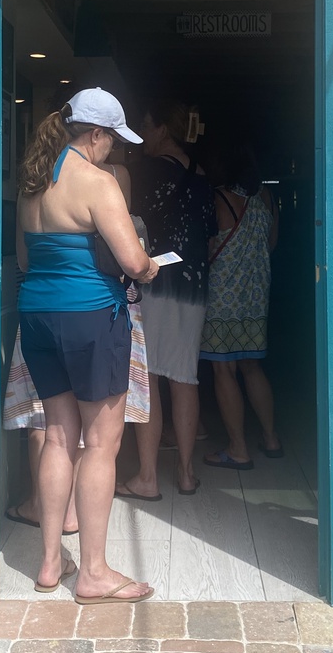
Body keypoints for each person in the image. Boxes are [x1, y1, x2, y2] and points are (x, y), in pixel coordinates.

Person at [17, 87, 158, 604]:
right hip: (92, 319)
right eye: (112, 141)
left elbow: (26, 261)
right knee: (101, 445)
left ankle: (51, 562)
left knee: (57, 435)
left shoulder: (34, 182)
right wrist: (152, 265)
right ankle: (94, 572)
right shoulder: (97, 182)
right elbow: (134, 262)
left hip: (37, 315)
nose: (113, 151)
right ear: (95, 134)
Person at [117, 100, 217, 500]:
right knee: (184, 376)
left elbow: (126, 223)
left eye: (146, 125)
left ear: (162, 130)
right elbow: (208, 237)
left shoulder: (147, 172)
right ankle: (187, 472)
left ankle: (146, 477)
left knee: (150, 376)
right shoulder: (202, 176)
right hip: (194, 287)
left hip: (153, 281)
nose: (142, 135)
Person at [199, 141, 283, 469]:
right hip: (256, 296)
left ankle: (237, 448)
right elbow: (272, 243)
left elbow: (207, 249)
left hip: (222, 298)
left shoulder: (219, 198)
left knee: (224, 369)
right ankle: (271, 438)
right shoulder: (266, 198)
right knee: (252, 366)